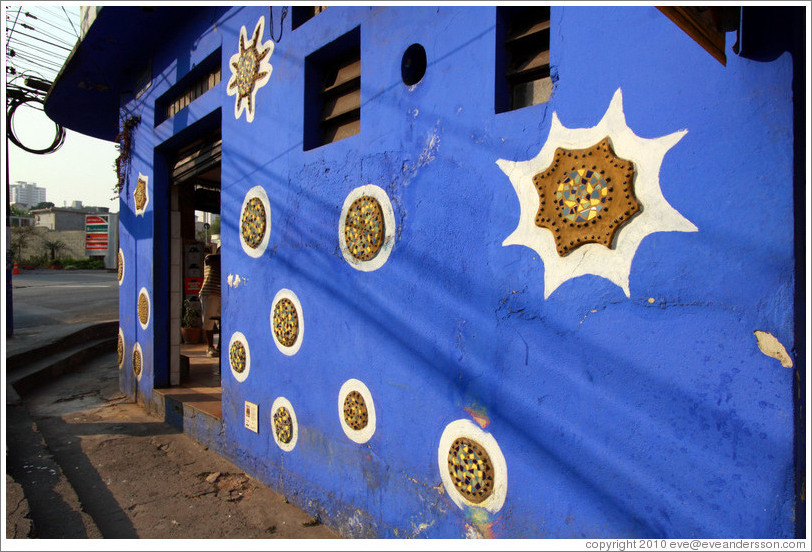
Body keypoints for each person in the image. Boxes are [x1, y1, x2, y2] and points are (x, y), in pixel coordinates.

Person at [198, 244, 221, 357]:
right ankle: (210, 347)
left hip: (220, 293)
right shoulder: (211, 258)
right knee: (209, 322)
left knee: (221, 322)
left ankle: (220, 347)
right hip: (210, 293)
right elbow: (210, 259)